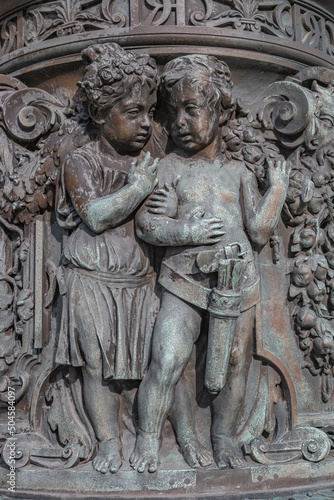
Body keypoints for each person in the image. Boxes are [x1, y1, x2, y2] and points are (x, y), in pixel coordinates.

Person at [56, 44, 211, 474]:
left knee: (168, 362)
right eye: (134, 112)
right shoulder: (80, 161)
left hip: (142, 282)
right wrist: (138, 189)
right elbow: (96, 214)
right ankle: (108, 443)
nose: (146, 123)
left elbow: (161, 215)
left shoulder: (150, 162)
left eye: (149, 112)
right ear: (103, 114)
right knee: (96, 366)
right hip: (93, 281)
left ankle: (187, 437)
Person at [131, 54, 289, 472]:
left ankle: (223, 438)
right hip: (184, 281)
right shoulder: (168, 167)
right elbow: (148, 224)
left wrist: (277, 190)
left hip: (238, 284)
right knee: (166, 359)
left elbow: (257, 230)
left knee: (235, 361)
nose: (180, 121)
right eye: (173, 111)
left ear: (217, 110)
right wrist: (186, 232)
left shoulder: (237, 171)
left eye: (191, 109)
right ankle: (148, 441)